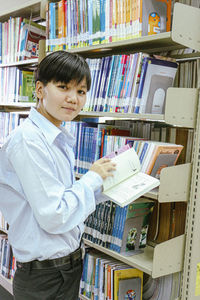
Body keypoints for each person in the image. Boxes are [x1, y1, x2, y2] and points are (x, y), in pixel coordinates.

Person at [0, 51, 116, 300]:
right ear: (40, 90)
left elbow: (65, 198)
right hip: (45, 278)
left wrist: (108, 187)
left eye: (81, 91)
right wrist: (92, 178)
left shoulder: (57, 137)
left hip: (67, 267)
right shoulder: (29, 140)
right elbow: (54, 215)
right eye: (63, 87)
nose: (73, 99)